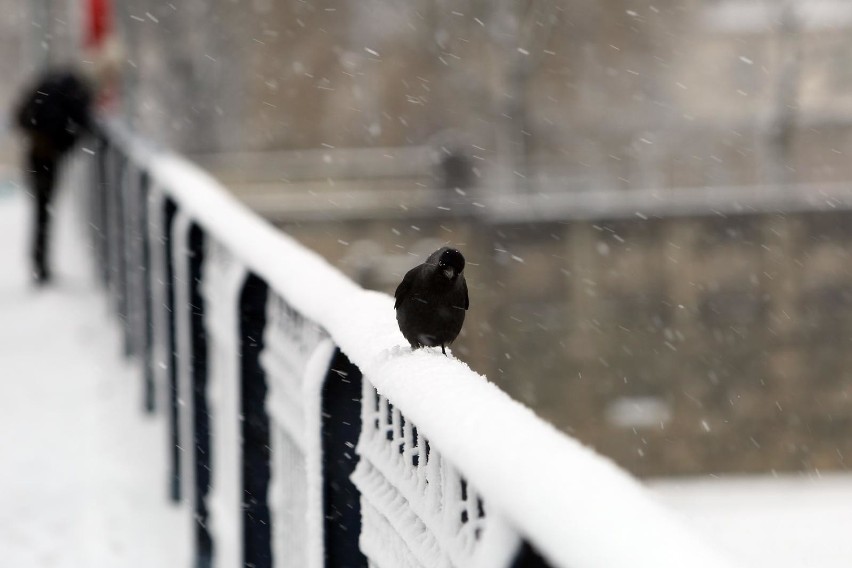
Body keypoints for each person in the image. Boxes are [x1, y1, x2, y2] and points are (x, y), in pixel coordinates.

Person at [14, 69, 94, 284]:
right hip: (50, 158)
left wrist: (38, 136)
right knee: (44, 209)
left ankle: (39, 263)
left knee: (41, 210)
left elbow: (19, 117)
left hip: (36, 153)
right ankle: (41, 265)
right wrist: (63, 145)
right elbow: (84, 126)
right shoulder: (75, 94)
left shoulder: (46, 88)